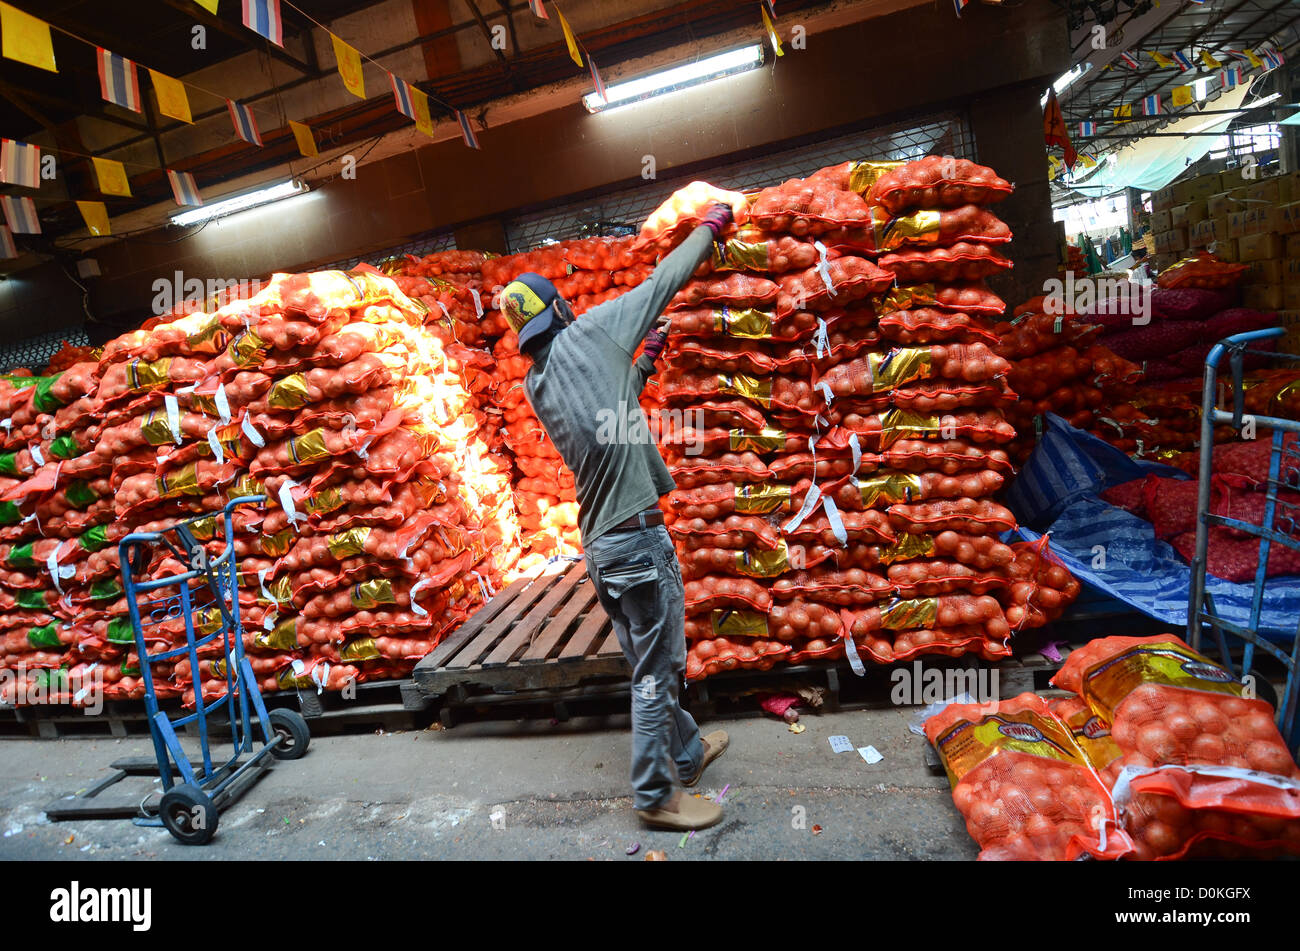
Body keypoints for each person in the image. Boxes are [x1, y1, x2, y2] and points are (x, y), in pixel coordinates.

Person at [499, 202, 735, 831]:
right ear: (563, 309)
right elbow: (663, 283)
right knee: (656, 671)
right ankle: (656, 794)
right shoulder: (596, 330)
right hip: (636, 540)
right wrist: (707, 229)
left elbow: (610, 410)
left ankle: (684, 752)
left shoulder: (538, 383)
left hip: (602, 549)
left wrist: (644, 362)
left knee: (644, 661)